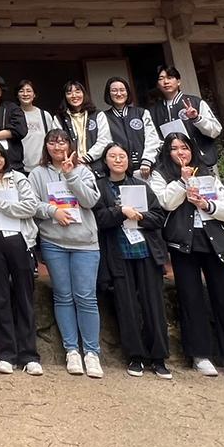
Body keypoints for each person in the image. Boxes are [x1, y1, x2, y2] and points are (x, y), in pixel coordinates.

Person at [151, 132, 224, 379]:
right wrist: (182, 182)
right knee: (190, 297)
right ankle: (200, 354)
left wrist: (207, 205)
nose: (180, 152)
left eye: (184, 147)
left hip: (213, 240)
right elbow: (164, 202)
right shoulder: (160, 174)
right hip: (182, 242)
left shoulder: (207, 173)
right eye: (174, 148)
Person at [28, 129, 104, 378]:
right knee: (63, 296)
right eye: (52, 142)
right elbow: (32, 204)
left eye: (62, 142)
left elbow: (91, 201)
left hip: (85, 242)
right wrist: (53, 211)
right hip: (54, 242)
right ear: (46, 146)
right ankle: (71, 350)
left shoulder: (83, 170)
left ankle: (91, 352)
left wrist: (70, 175)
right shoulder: (38, 173)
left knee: (86, 297)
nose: (58, 147)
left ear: (70, 145)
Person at [93, 143, 171, 379]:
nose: (118, 160)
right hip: (118, 253)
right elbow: (98, 219)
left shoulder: (141, 185)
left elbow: (158, 217)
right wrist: (120, 212)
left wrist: (140, 216)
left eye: (122, 156)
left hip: (146, 251)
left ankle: (159, 357)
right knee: (126, 306)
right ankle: (135, 356)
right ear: (105, 161)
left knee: (153, 305)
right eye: (113, 156)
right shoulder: (100, 187)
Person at [0, 143, 42, 375]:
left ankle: (29, 355)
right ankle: (6, 354)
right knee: (0, 296)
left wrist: (0, 204)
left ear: (5, 157)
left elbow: (30, 207)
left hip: (20, 239)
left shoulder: (19, 178)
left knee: (24, 295)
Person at [148, 65, 222, 171]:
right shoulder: (153, 111)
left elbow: (215, 131)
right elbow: (153, 140)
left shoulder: (195, 102)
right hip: (171, 169)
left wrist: (197, 118)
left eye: (170, 77)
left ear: (178, 81)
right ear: (157, 85)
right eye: (161, 79)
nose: (166, 82)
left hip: (201, 164)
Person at [102, 77, 160, 179]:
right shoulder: (103, 117)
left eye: (122, 90)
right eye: (114, 90)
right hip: (118, 171)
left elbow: (152, 138)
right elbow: (104, 142)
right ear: (108, 94)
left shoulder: (141, 113)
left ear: (127, 92)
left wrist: (147, 160)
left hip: (145, 168)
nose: (119, 94)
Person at [57, 81, 111, 174]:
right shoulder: (59, 118)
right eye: (69, 93)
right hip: (71, 167)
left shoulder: (98, 115)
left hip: (97, 168)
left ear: (84, 94)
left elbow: (105, 140)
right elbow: (58, 143)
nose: (74, 95)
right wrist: (74, 159)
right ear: (65, 97)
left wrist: (87, 158)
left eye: (77, 91)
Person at [16, 80, 57, 175]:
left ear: (34, 94)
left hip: (43, 167)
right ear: (17, 95)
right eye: (21, 91)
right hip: (20, 169)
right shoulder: (13, 116)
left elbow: (52, 141)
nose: (25, 94)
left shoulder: (44, 115)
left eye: (29, 91)